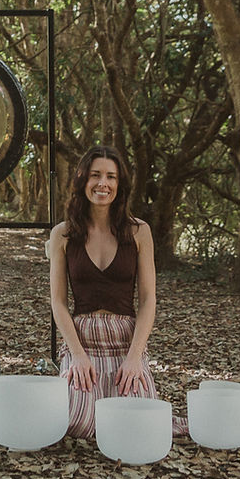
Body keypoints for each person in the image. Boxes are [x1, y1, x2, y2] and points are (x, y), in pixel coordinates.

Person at [48, 145, 186, 437]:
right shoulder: (63, 233)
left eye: (111, 177)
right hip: (82, 340)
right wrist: (77, 355)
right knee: (76, 423)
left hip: (126, 341)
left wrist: (135, 358)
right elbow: (58, 302)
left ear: (119, 184)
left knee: (136, 424)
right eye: (95, 175)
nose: (103, 184)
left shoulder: (139, 232)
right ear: (83, 180)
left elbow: (148, 300)